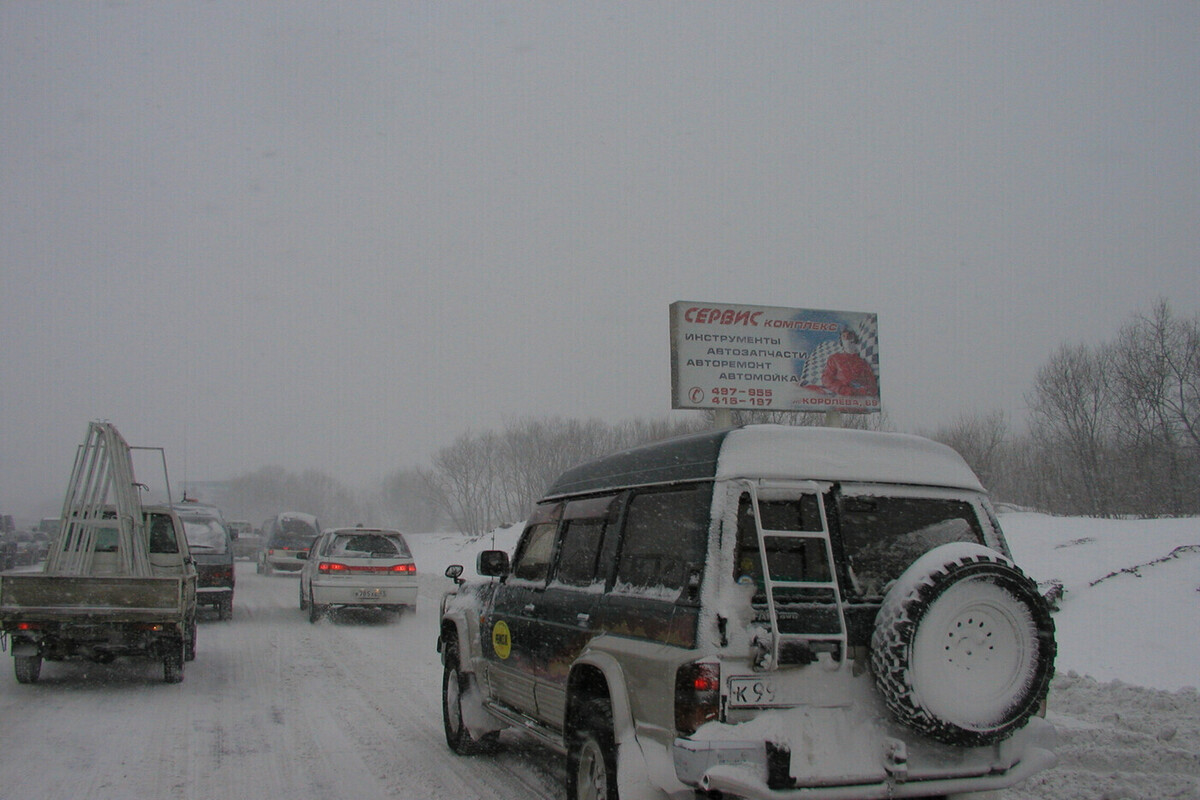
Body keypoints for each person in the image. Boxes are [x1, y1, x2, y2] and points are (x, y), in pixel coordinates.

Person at [821, 328, 878, 396]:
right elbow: (826, 379)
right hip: (842, 400)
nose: (847, 338)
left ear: (854, 339)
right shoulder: (835, 358)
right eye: (844, 336)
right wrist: (843, 389)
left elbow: (872, 385)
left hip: (860, 401)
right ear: (841, 340)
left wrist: (862, 391)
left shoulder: (863, 363)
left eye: (849, 336)